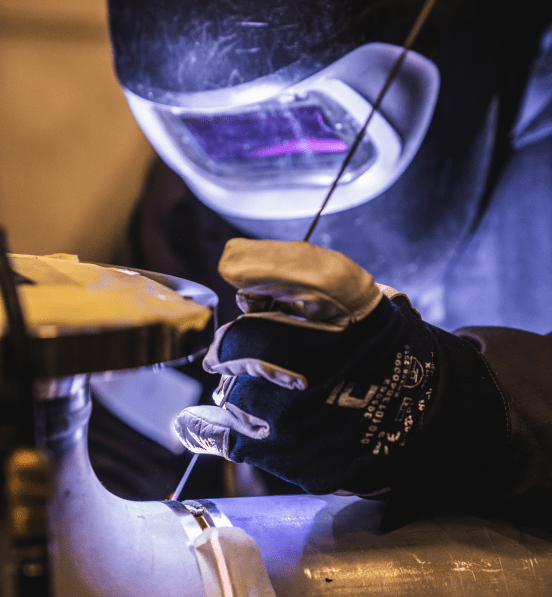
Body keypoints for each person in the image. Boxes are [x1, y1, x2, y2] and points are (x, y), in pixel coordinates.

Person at [100, 0, 552, 529]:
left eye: (312, 126)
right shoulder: (206, 163)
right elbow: (132, 435)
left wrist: (454, 408)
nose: (275, 149)